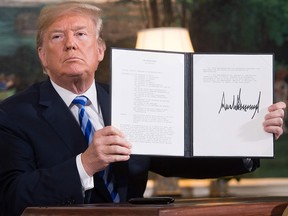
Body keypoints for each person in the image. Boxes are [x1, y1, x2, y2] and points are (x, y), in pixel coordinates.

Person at [0, 1, 286, 215]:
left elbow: (183, 157)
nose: (71, 45)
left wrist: (251, 138)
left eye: (80, 34)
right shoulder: (13, 115)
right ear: (42, 56)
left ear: (100, 50)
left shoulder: (131, 100)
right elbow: (11, 198)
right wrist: (84, 165)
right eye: (57, 37)